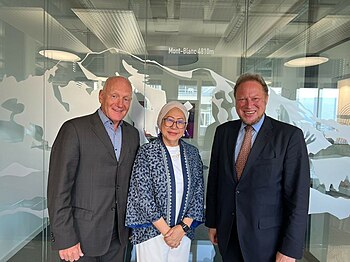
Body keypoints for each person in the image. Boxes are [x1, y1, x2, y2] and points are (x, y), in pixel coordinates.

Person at [205, 73, 310, 262]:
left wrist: (290, 249)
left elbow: (298, 197)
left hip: (268, 242)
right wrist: (213, 223)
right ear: (235, 101)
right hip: (228, 235)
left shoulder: (289, 136)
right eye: (242, 99)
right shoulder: (223, 132)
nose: (248, 105)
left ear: (266, 99)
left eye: (255, 99)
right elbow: (215, 181)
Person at [47, 76, 139, 261]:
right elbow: (58, 189)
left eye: (126, 98)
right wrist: (65, 238)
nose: (120, 104)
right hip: (81, 237)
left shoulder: (132, 134)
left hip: (119, 237)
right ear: (101, 96)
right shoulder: (74, 129)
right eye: (114, 96)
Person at [125, 101, 205, 262]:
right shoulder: (146, 152)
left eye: (180, 122)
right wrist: (168, 232)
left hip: (182, 234)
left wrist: (181, 229)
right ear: (160, 123)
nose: (174, 126)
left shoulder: (192, 154)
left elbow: (198, 194)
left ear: (184, 128)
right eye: (169, 120)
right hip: (151, 233)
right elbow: (142, 195)